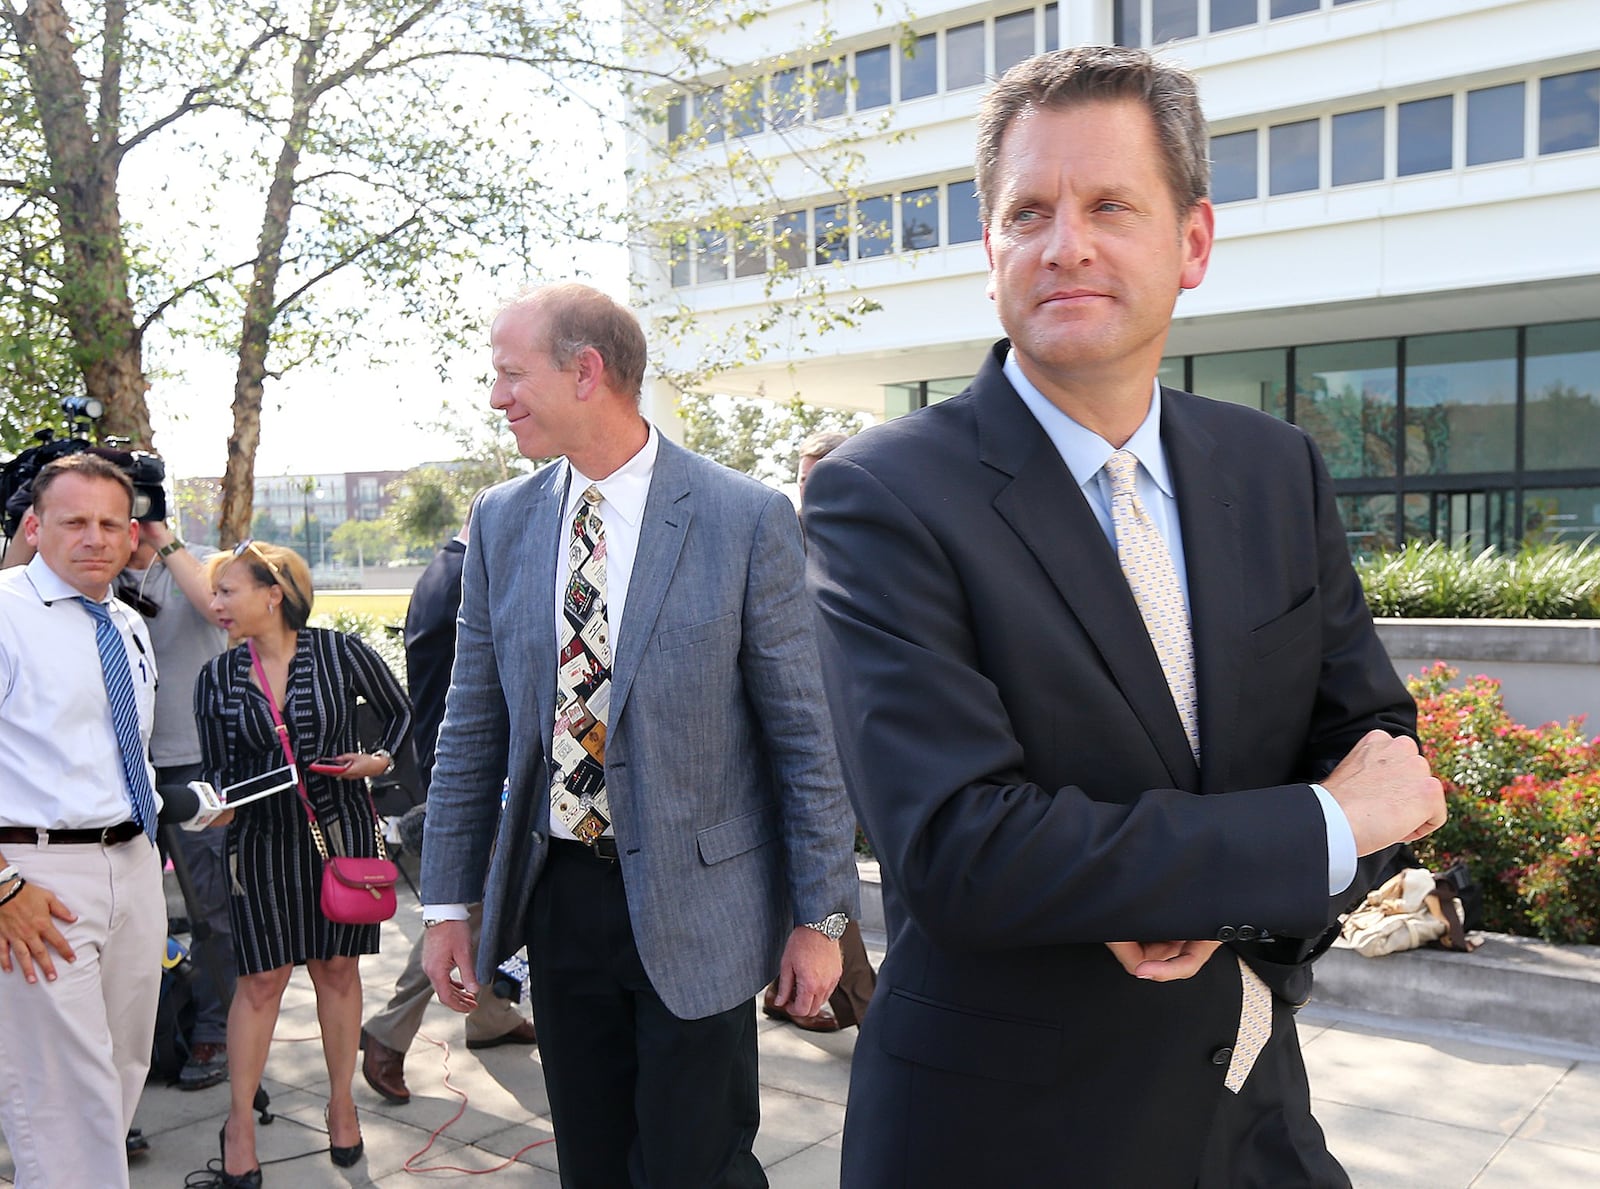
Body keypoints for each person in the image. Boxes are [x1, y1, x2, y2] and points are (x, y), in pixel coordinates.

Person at [802, 46, 1448, 1189]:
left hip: (1250, 1110)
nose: (1067, 244)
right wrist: (1276, 846)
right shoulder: (881, 493)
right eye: (1028, 212)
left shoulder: (1275, 466)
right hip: (1004, 1135)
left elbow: (1377, 761)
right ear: (988, 247)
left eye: (1110, 204)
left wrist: (1254, 870)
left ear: (1191, 242)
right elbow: (960, 846)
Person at [420, 283, 858, 1188]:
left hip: (705, 908)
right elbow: (471, 725)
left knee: (695, 1165)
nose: (496, 397)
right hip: (561, 900)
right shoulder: (502, 520)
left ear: (587, 371)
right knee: (593, 1161)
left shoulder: (744, 517)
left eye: (510, 374)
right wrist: (445, 904)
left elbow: (804, 738)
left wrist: (822, 917)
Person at [195, 540, 410, 1186]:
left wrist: (380, 760)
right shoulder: (218, 677)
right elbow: (214, 775)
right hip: (258, 844)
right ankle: (238, 1121)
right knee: (261, 981)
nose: (216, 604)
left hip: (340, 837)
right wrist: (215, 807)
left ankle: (341, 1103)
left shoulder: (341, 652)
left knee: (337, 968)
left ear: (274, 592)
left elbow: (401, 715)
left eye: (227, 590)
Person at [0, 453, 167, 1188]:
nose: (94, 537)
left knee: (120, 1075)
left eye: (109, 523)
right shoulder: (4, 611)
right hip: (38, 883)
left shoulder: (126, 621)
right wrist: (4, 888)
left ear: (133, 536)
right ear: (36, 527)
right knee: (65, 1108)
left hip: (133, 869)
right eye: (73, 521)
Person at [360, 514, 536, 1106]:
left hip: (454, 757)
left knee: (485, 897)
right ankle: (387, 1033)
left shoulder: (444, 568)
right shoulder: (470, 573)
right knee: (470, 904)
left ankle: (488, 1017)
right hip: (473, 768)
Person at [761, 429, 876, 1033]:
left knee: (820, 872)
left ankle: (785, 994)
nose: (804, 492)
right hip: (799, 740)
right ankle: (868, 1013)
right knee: (825, 880)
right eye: (801, 479)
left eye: (816, 479)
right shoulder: (780, 539)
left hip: (850, 735)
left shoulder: (872, 543)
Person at [118, 515, 235, 1090]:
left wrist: (163, 537)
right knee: (126, 917)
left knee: (213, 911)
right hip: (121, 771)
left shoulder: (193, 562)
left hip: (196, 763)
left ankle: (216, 1030)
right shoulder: (93, 574)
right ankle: (134, 1042)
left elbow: (219, 608)